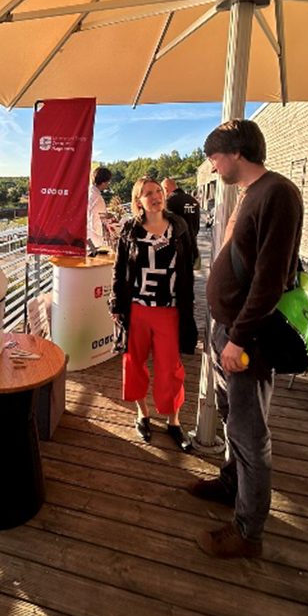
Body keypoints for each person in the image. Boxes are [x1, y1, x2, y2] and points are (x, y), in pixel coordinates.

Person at [189, 119, 302, 560]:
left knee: (249, 431)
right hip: (229, 331)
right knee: (231, 414)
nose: (213, 167)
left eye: (215, 157)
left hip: (245, 337)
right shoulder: (254, 194)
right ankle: (231, 484)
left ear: (236, 152)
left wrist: (238, 337)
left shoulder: (277, 194)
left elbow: (270, 280)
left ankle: (247, 531)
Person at [112, 177, 199, 451]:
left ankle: (173, 421)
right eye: (148, 193)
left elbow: (190, 264)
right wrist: (116, 304)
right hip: (137, 308)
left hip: (170, 309)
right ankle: (142, 413)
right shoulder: (130, 229)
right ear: (138, 201)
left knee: (170, 369)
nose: (155, 196)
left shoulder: (180, 227)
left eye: (158, 191)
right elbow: (119, 269)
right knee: (134, 363)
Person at [162, 177, 201, 246]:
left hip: (178, 246)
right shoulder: (192, 200)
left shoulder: (169, 202)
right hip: (192, 243)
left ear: (166, 189)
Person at [85, 166, 114, 253]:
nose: (108, 184)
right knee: (94, 262)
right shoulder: (98, 199)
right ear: (104, 182)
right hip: (94, 240)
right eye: (108, 182)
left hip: (86, 238)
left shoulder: (87, 193)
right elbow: (101, 220)